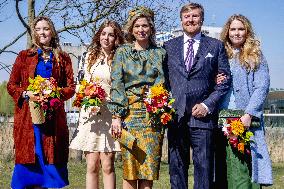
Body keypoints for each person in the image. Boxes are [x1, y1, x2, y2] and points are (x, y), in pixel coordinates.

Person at [163, 2, 231, 189]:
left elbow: (224, 81)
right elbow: (163, 81)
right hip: (176, 118)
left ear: (201, 19)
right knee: (176, 169)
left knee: (204, 170)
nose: (190, 20)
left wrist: (207, 105)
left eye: (195, 16)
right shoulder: (168, 47)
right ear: (181, 20)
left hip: (203, 118)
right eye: (187, 16)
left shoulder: (216, 46)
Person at [7, 16, 75, 189]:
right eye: (38, 29)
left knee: (50, 167)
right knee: (31, 159)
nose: (42, 32)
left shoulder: (63, 58)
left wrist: (54, 93)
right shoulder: (24, 56)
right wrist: (26, 92)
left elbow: (71, 87)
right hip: (29, 119)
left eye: (45, 28)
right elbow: (11, 85)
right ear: (33, 33)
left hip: (53, 120)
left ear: (52, 31)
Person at [108, 6, 166, 189]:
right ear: (131, 30)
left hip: (153, 118)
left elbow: (167, 83)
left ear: (151, 28)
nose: (141, 29)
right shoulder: (122, 53)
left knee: (148, 171)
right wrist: (116, 117)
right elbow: (117, 84)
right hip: (129, 115)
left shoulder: (160, 53)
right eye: (137, 26)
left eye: (145, 26)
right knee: (130, 172)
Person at [217, 14, 273, 188]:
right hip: (224, 117)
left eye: (241, 29)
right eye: (233, 29)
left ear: (247, 31)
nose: (236, 33)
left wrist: (249, 114)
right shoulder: (221, 54)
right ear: (227, 32)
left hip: (247, 118)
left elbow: (262, 87)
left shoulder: (256, 56)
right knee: (232, 166)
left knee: (251, 164)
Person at [69, 20, 124, 189]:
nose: (106, 38)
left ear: (116, 38)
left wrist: (117, 115)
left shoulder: (120, 58)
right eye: (103, 33)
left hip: (110, 114)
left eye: (111, 34)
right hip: (90, 114)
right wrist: (86, 94)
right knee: (91, 165)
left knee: (107, 165)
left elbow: (120, 88)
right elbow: (80, 84)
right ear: (99, 35)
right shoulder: (87, 56)